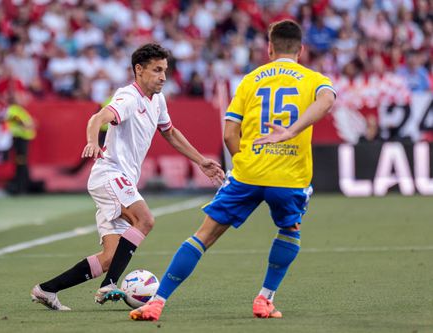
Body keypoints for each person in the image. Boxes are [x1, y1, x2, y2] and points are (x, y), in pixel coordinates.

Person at [130, 20, 336, 321]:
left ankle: (156, 302)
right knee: (289, 230)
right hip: (288, 175)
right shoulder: (314, 79)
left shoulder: (250, 80)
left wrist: (249, 159)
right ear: (301, 50)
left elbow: (229, 135)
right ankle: (264, 299)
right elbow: (327, 100)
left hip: (247, 172)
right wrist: (290, 132)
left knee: (203, 236)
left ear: (269, 48)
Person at [30, 43, 224, 310]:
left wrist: (201, 161)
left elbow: (169, 132)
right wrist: (92, 142)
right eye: (157, 70)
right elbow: (97, 118)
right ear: (139, 70)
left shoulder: (158, 99)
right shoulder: (128, 97)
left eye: (165, 70)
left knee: (110, 257)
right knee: (145, 219)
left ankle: (46, 290)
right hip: (109, 173)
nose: (163, 77)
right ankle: (109, 286)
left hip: (120, 180)